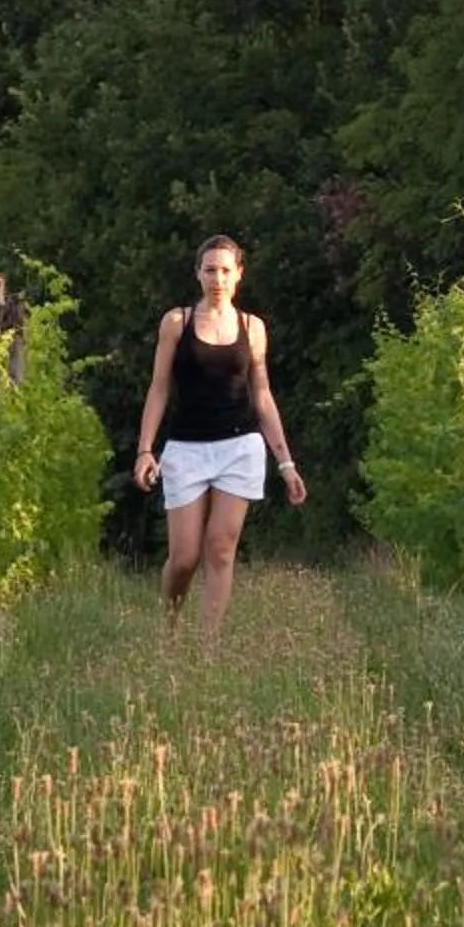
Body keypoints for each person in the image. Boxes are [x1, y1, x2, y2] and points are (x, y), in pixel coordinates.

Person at [132, 234, 306, 636]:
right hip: (186, 448)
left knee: (221, 548)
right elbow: (159, 389)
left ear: (239, 275)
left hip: (240, 447)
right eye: (210, 269)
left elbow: (262, 396)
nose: (218, 278)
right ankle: (170, 628)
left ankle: (208, 651)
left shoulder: (253, 328)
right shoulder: (177, 323)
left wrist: (286, 463)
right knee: (185, 557)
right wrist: (145, 450)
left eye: (226, 270)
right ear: (198, 273)